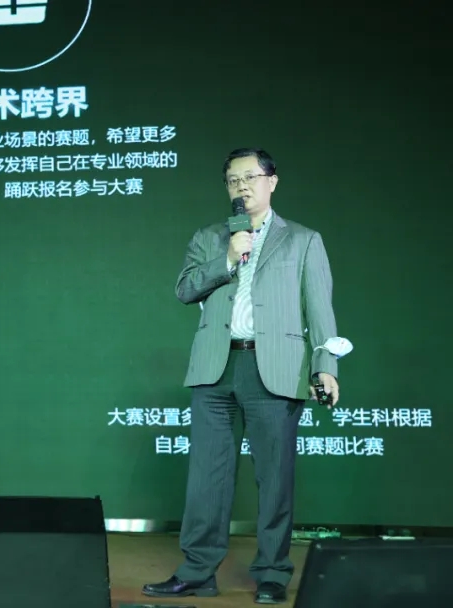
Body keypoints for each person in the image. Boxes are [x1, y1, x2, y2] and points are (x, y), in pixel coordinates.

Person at [142, 148, 341, 605]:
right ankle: (197, 571)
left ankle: (272, 574)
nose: (242, 187)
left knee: (274, 479)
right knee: (206, 479)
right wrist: (228, 259)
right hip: (215, 367)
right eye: (233, 181)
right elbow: (184, 289)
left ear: (272, 181)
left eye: (250, 177)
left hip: (275, 369)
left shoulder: (303, 240)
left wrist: (325, 367)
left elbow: (321, 312)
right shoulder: (211, 237)